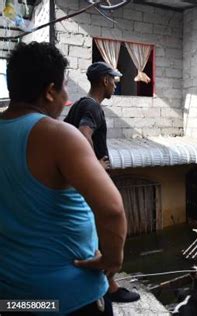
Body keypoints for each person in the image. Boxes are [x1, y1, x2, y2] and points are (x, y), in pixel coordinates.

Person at [0, 42, 127, 315]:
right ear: (49, 91)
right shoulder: (57, 135)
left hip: (13, 299)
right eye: (64, 87)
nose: (66, 96)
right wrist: (113, 260)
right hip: (70, 299)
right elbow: (112, 210)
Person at [64, 62, 140, 303]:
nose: (115, 84)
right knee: (107, 229)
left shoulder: (78, 104)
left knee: (92, 232)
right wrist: (96, 165)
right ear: (104, 81)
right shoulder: (92, 107)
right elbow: (85, 133)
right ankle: (110, 287)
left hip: (77, 182)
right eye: (114, 79)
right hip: (91, 181)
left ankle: (110, 285)